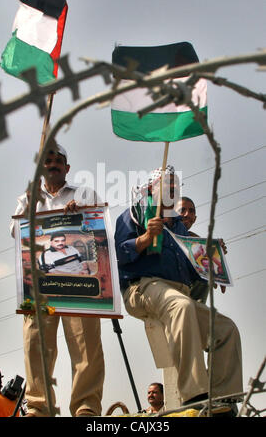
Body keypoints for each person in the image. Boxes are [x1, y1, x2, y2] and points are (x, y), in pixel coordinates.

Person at [115, 166, 243, 415]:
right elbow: (115, 255)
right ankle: (194, 395)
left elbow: (190, 265)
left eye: (176, 187)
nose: (173, 190)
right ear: (152, 189)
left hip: (177, 292)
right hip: (142, 287)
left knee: (226, 329)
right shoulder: (135, 215)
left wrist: (213, 269)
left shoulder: (180, 228)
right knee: (181, 306)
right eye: (168, 186)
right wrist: (144, 238)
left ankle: (221, 401)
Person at [10, 144, 104, 417]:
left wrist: (83, 212)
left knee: (86, 345)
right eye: (47, 160)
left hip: (79, 286)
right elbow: (15, 233)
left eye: (58, 160)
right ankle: (39, 406)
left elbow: (99, 227)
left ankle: (86, 406)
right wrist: (29, 202)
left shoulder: (83, 193)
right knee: (35, 343)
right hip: (41, 286)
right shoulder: (29, 198)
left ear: (67, 167)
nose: (52, 163)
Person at [176, 196, 227, 302]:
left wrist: (216, 254)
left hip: (188, 302)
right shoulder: (163, 232)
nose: (187, 215)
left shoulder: (196, 244)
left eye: (191, 211)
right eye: (182, 210)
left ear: (195, 218)